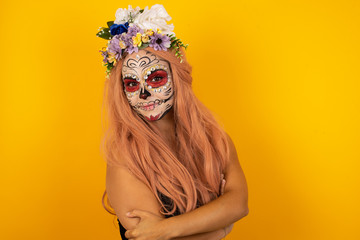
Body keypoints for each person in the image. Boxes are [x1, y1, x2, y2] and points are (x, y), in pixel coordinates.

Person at [97, 4, 249, 240]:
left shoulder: (215, 139)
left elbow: (238, 204)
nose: (144, 93)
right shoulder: (123, 156)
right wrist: (220, 228)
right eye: (132, 84)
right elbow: (146, 238)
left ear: (177, 78)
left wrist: (163, 230)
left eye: (156, 78)